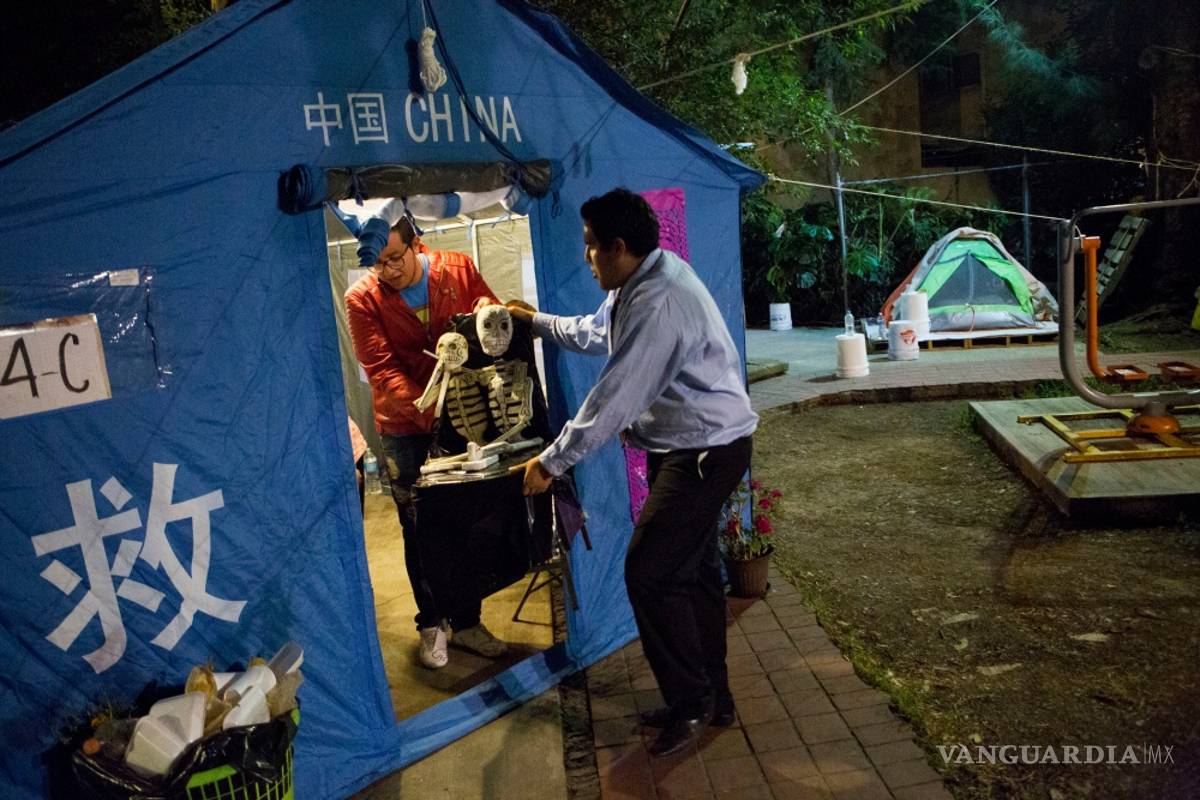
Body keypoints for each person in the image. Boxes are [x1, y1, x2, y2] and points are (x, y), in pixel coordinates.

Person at [508, 188, 758, 756]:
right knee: (690, 573)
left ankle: (693, 701)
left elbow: (613, 401)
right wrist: (534, 322)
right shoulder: (640, 281)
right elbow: (596, 333)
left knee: (650, 570)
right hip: (692, 446)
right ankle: (712, 697)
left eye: (592, 246)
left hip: (705, 451)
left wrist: (550, 463)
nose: (587, 256)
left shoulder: (658, 301)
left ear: (619, 247)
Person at [345, 213, 510, 669]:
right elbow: (380, 369)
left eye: (395, 258)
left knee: (465, 519)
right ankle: (431, 623)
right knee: (419, 527)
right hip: (404, 427)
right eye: (378, 265)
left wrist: (486, 315)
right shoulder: (362, 299)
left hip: (462, 418)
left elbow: (491, 320)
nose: (388, 271)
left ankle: (468, 621)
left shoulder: (457, 269)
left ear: (417, 244)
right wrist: (424, 403)